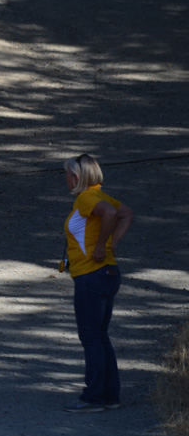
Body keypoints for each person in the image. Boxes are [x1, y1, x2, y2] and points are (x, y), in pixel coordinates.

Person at [62, 154, 134, 413]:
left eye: (67, 174)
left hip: (91, 274)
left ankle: (92, 398)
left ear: (76, 177)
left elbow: (113, 213)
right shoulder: (100, 196)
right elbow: (125, 213)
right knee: (100, 337)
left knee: (91, 338)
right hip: (108, 274)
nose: (66, 179)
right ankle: (110, 396)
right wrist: (112, 244)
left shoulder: (86, 198)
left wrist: (103, 245)